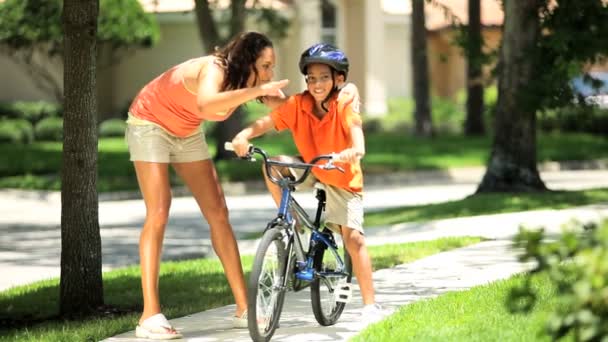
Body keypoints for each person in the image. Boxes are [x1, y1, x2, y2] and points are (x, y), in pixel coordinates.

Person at [125, 31, 288, 340]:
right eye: (266, 65)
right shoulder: (215, 68)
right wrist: (258, 90)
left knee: (218, 212)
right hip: (150, 122)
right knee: (159, 211)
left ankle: (244, 308)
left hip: (186, 130)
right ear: (247, 61)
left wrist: (330, 100)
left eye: (271, 67)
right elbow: (207, 101)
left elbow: (293, 108)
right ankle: (149, 315)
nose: (269, 73)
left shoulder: (249, 82)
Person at [230, 43, 386, 323]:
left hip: (341, 175)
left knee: (354, 239)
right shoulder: (299, 105)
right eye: (311, 78)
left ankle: (370, 304)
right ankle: (289, 221)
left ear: (339, 79)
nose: (316, 84)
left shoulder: (344, 102)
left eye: (324, 77)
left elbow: (355, 129)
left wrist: (356, 150)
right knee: (273, 165)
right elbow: (266, 122)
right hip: (313, 165)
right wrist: (243, 135)